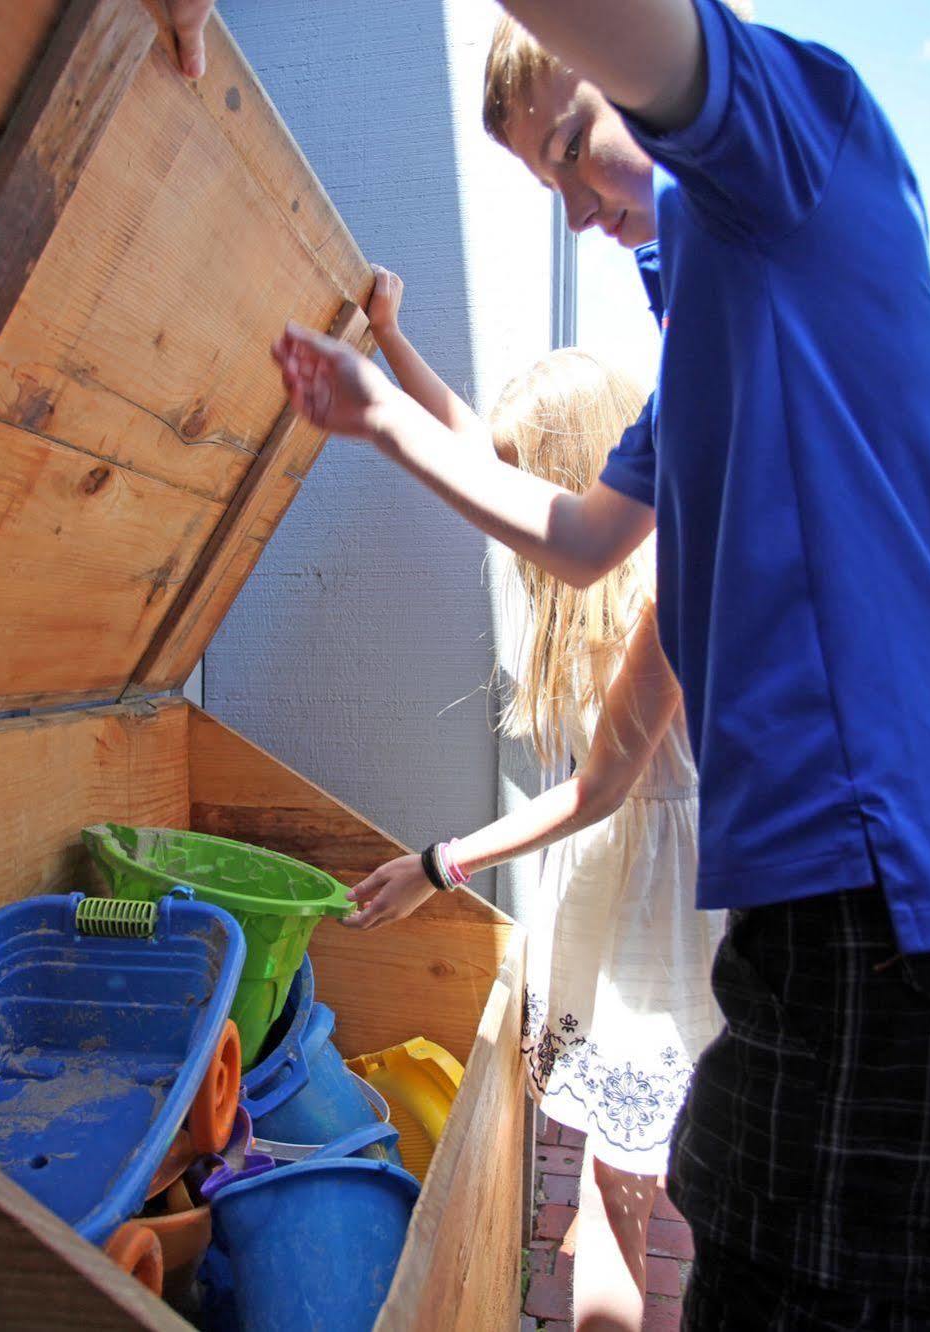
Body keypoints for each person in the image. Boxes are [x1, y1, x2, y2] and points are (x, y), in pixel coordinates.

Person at [168, 2, 930, 1327]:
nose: (571, 204)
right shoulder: (706, 350)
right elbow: (581, 533)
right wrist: (374, 417)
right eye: (541, 178)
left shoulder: (790, 153)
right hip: (812, 935)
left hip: (905, 916)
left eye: (573, 141)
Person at [349, 267, 723, 1330]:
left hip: (656, 906)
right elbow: (473, 446)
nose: (507, 499)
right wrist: (390, 342)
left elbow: (600, 795)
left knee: (629, 1189)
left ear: (570, 470)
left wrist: (439, 865)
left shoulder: (659, 591)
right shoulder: (617, 566)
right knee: (618, 1188)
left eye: (526, 475)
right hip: (628, 896)